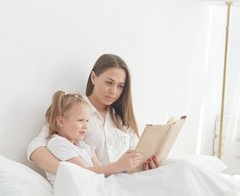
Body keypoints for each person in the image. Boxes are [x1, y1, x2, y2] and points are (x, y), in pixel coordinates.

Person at [27, 54, 160, 175]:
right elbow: (35, 150)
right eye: (109, 82)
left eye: (120, 86)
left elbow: (136, 154)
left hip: (123, 181)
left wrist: (146, 164)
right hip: (97, 182)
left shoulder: (121, 118)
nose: (114, 91)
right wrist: (76, 172)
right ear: (93, 78)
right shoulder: (72, 109)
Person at [43, 90, 144, 185]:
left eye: (87, 121)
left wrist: (125, 165)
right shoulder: (57, 142)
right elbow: (82, 173)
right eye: (80, 120)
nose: (86, 126)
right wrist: (118, 165)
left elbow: (102, 171)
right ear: (61, 121)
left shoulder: (83, 146)